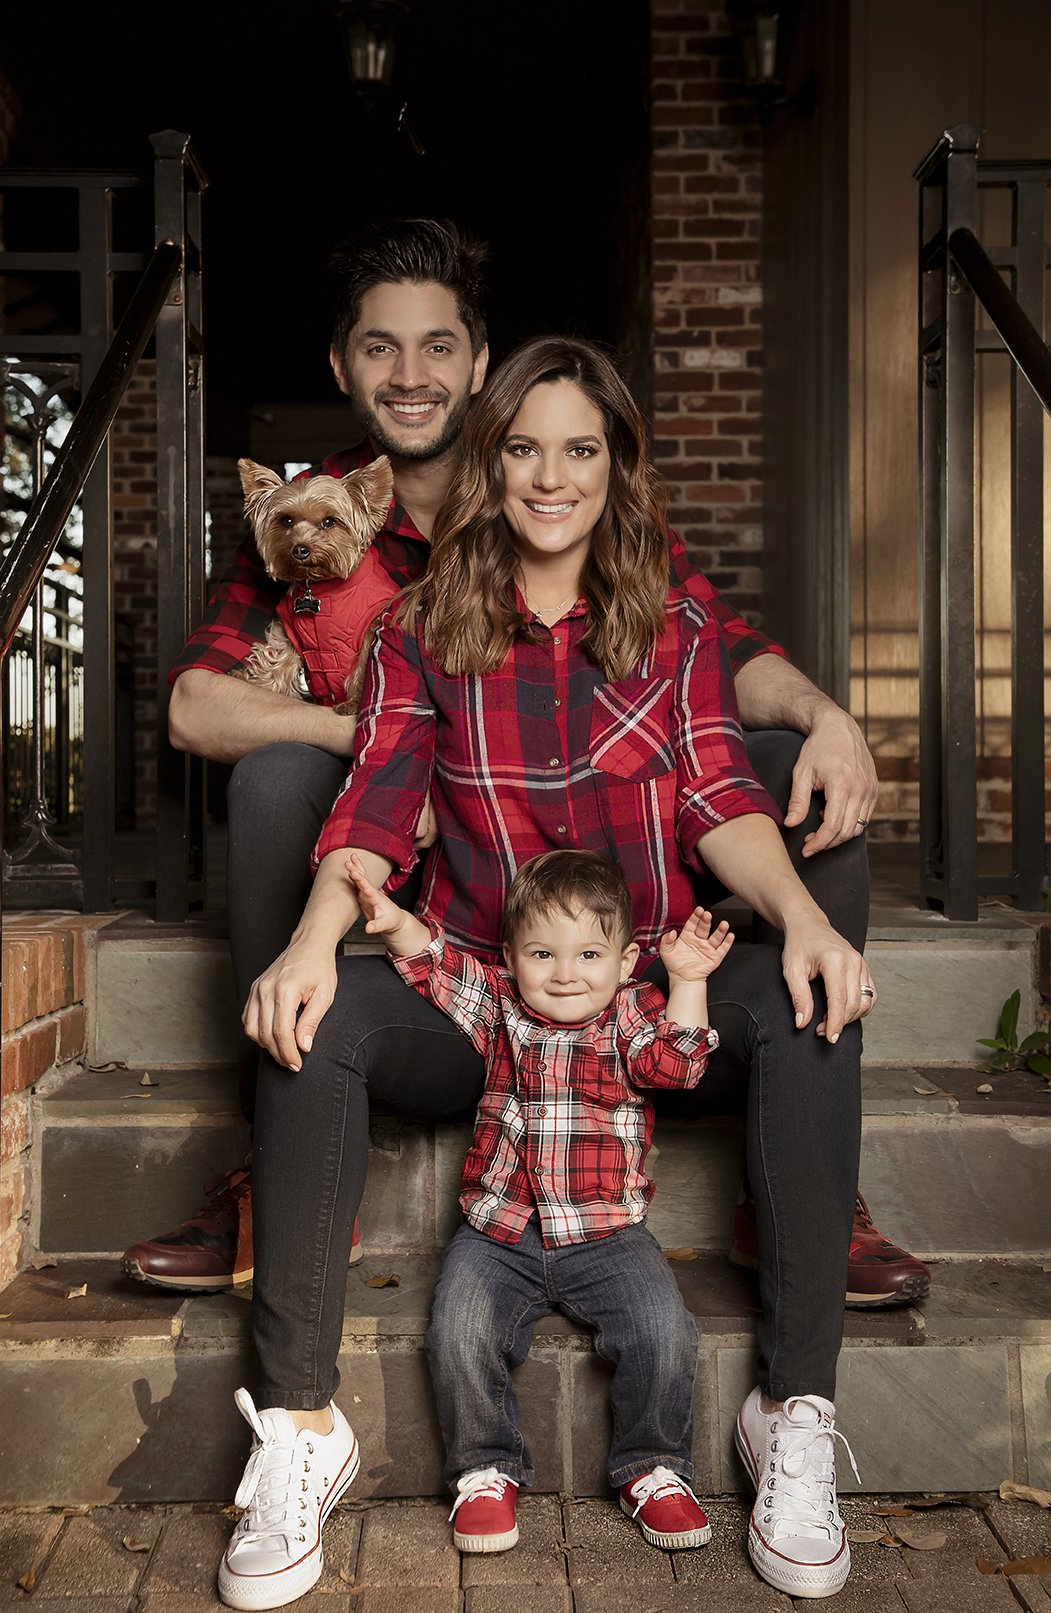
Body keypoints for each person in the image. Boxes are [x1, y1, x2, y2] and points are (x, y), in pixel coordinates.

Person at [124, 216, 929, 1313]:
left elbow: (708, 645)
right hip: (411, 869)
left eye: (439, 345)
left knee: (790, 765)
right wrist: (386, 748)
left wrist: (825, 711)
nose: (410, 375)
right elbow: (194, 703)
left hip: (594, 889)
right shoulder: (309, 513)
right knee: (273, 778)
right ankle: (288, 1153)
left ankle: (801, 1177)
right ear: (339, 364)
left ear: (482, 364)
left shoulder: (557, 482)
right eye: (379, 347)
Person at [216, 336, 875, 1610]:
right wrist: (307, 945)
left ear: (616, 464)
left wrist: (794, 913)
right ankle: (301, 1425)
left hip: (647, 1002)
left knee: (810, 999)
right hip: (479, 1003)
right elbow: (374, 799)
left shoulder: (673, 628)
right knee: (311, 1023)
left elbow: (725, 794)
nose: (549, 475)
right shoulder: (425, 632)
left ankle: (793, 1412)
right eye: (523, 447)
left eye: (580, 447)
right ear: (489, 460)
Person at [348, 847, 731, 1556]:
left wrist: (686, 981)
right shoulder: (500, 1005)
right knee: (459, 1329)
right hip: (499, 1231)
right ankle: (486, 1468)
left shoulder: (631, 1016)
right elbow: (436, 966)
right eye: (541, 952)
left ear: (624, 962)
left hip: (607, 1234)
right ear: (510, 957)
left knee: (663, 1330)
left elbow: (678, 1066)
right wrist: (393, 917)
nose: (564, 972)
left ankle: (651, 1465)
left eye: (589, 953)